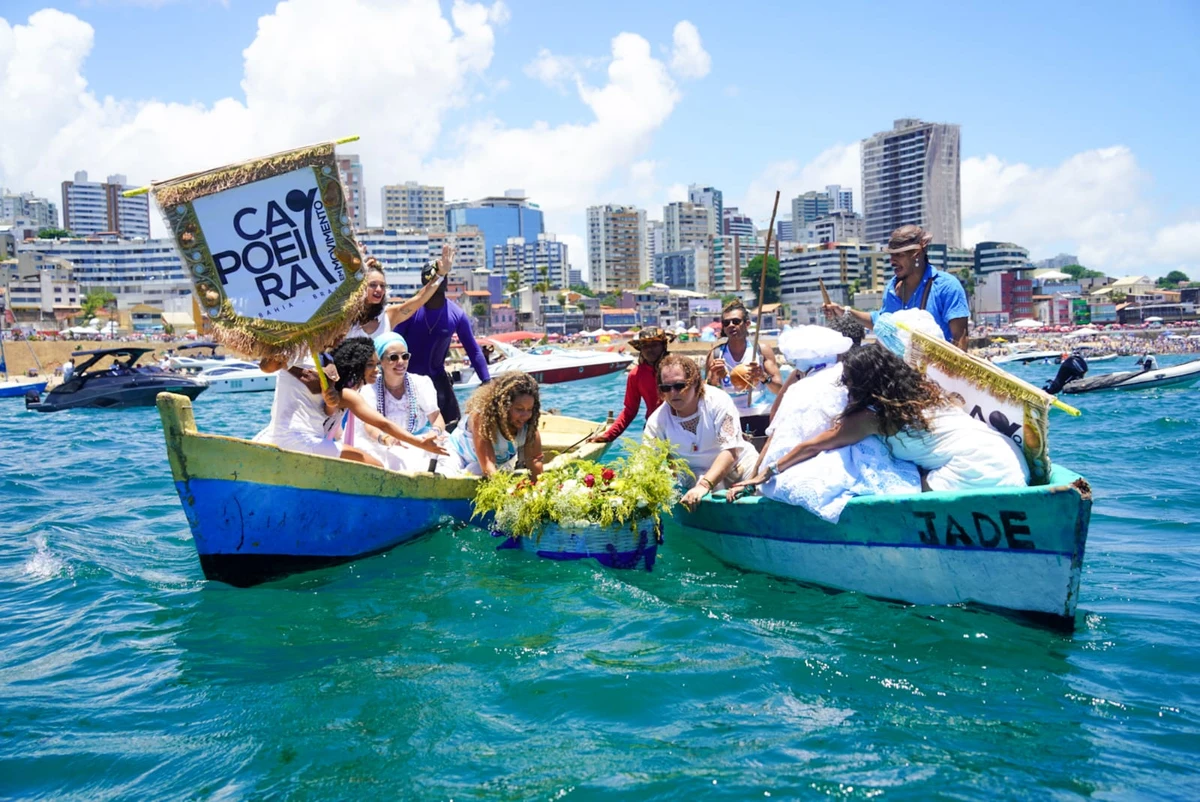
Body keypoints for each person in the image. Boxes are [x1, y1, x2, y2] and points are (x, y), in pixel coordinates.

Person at [733, 344, 1028, 496]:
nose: (845, 385)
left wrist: (767, 472)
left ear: (862, 382)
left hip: (976, 471)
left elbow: (812, 446)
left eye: (849, 379)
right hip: (1011, 458)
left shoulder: (871, 417)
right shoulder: (922, 391)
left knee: (903, 488)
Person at [731, 325, 922, 521]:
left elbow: (776, 436)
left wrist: (754, 479)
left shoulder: (798, 388)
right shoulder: (847, 375)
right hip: (847, 446)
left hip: (805, 458)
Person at [255, 338, 447, 466]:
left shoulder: (338, 388)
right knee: (376, 465)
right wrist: (419, 443)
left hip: (299, 441)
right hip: (298, 442)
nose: (376, 369)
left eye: (376, 364)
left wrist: (330, 403)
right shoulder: (348, 394)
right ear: (357, 367)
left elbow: (329, 414)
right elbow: (382, 424)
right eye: (370, 365)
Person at [823, 225, 970, 350]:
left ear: (917, 254)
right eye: (891, 255)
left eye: (898, 255)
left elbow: (960, 339)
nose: (892, 261)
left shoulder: (947, 286)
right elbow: (880, 322)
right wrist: (844, 311)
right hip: (902, 376)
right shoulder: (893, 288)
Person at [643, 354, 759, 512]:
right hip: (696, 476)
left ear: (696, 384)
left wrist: (705, 485)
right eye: (666, 388)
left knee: (764, 487)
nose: (672, 393)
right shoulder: (657, 421)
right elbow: (647, 464)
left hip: (739, 466)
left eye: (679, 386)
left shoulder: (718, 401)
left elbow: (730, 452)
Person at [394, 261, 490, 431]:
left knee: (454, 428)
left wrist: (486, 381)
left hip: (438, 380)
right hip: (407, 380)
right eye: (432, 279)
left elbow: (473, 350)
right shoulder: (410, 311)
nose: (436, 283)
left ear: (446, 281)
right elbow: (393, 343)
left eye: (440, 277)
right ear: (425, 282)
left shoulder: (456, 314)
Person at [355, 332, 445, 472]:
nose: (401, 362)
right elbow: (369, 425)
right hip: (385, 444)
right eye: (393, 357)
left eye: (405, 356)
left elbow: (436, 417)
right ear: (381, 362)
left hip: (420, 439)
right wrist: (386, 438)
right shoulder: (369, 389)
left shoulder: (421, 383)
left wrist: (434, 432)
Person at [704, 300, 784, 436]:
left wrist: (762, 376)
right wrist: (715, 378)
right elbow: (706, 395)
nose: (731, 326)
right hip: (729, 416)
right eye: (726, 323)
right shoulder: (716, 355)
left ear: (747, 324)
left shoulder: (761, 351)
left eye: (736, 321)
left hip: (760, 414)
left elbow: (779, 390)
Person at [444, 372, 543, 478]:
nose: (525, 415)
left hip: (489, 464)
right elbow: (488, 465)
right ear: (504, 406)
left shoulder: (529, 427)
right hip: (458, 455)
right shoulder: (482, 417)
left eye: (529, 409)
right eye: (519, 409)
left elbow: (534, 461)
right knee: (452, 474)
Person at [346, 247, 453, 341]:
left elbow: (420, 298)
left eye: (382, 285)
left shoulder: (389, 315)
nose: (379, 289)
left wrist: (441, 274)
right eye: (373, 285)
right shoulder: (345, 316)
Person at [590, 327, 675, 443]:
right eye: (645, 346)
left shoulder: (677, 368)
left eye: (654, 344)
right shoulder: (636, 374)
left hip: (681, 426)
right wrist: (608, 436)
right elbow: (629, 410)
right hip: (653, 429)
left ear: (663, 346)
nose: (650, 349)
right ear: (640, 349)